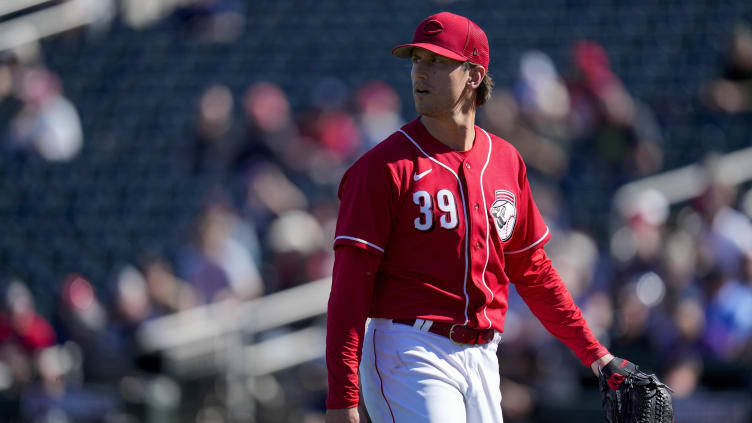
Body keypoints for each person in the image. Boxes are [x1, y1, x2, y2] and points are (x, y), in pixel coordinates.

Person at [325, 12, 617, 422]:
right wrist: (342, 397)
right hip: (409, 348)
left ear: (474, 76)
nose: (420, 73)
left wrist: (596, 354)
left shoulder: (506, 161)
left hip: (484, 356)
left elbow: (533, 271)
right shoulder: (383, 168)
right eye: (416, 60)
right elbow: (349, 288)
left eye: (437, 62)